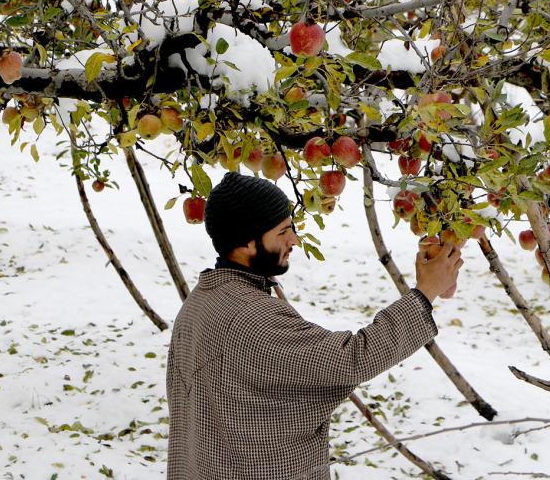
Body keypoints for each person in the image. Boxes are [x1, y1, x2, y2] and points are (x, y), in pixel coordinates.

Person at [166, 171, 463, 480]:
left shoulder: (200, 302)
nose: (294, 240)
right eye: (283, 231)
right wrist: (426, 292)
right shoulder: (252, 317)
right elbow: (352, 358)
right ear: (246, 243)